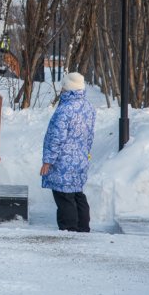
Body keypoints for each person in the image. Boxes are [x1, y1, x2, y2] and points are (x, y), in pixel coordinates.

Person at [40, 72, 96, 232]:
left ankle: (69, 230)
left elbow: (55, 138)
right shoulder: (88, 107)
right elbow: (90, 135)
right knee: (77, 194)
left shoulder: (65, 110)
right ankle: (83, 227)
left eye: (63, 86)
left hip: (63, 161)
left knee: (65, 196)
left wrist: (48, 161)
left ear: (67, 88)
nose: (61, 89)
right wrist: (85, 154)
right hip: (80, 160)